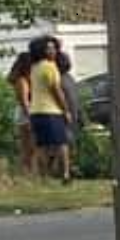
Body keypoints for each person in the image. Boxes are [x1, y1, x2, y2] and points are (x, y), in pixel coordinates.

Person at [28, 35, 73, 184]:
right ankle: (65, 174)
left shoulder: (34, 67)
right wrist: (66, 110)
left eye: (54, 48)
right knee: (62, 143)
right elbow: (56, 91)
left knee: (42, 145)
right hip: (51, 110)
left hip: (35, 111)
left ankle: (44, 176)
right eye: (49, 48)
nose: (53, 51)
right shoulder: (50, 66)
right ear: (42, 51)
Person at [6, 52, 36, 175]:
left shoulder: (22, 79)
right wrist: (31, 118)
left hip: (23, 114)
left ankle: (26, 172)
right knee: (28, 148)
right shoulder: (22, 81)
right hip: (25, 115)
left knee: (27, 148)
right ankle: (27, 172)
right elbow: (24, 102)